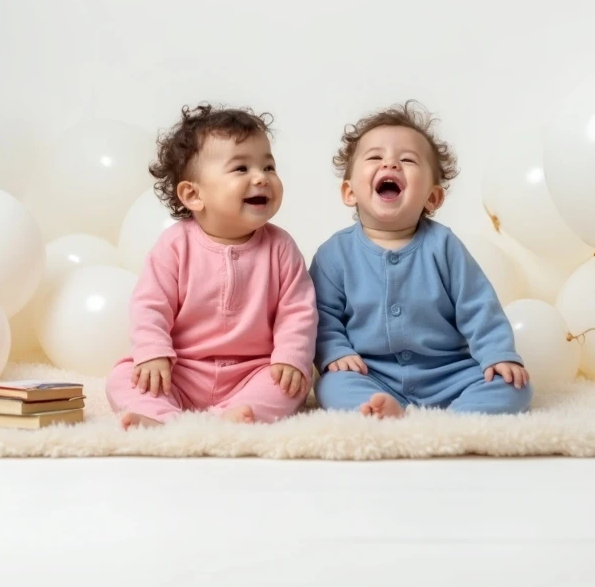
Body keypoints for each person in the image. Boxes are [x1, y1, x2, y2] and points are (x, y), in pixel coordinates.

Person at [312, 102, 531, 419]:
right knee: (332, 386)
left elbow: (479, 306)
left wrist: (498, 355)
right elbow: (322, 316)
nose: (391, 164)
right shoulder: (334, 254)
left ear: (433, 197)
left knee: (515, 386)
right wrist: (336, 352)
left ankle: (455, 419)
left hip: (448, 373)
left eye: (407, 160)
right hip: (373, 374)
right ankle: (385, 409)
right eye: (375, 157)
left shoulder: (444, 246)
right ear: (349, 192)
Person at [106, 103, 317, 428]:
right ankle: (161, 418)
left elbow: (298, 311)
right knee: (123, 377)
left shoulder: (281, 247)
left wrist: (290, 356)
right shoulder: (175, 246)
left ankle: (231, 417)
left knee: (290, 385)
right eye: (241, 169)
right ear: (193, 195)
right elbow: (150, 305)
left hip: (253, 371)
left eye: (269, 167)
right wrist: (153, 352)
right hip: (182, 370)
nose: (261, 178)